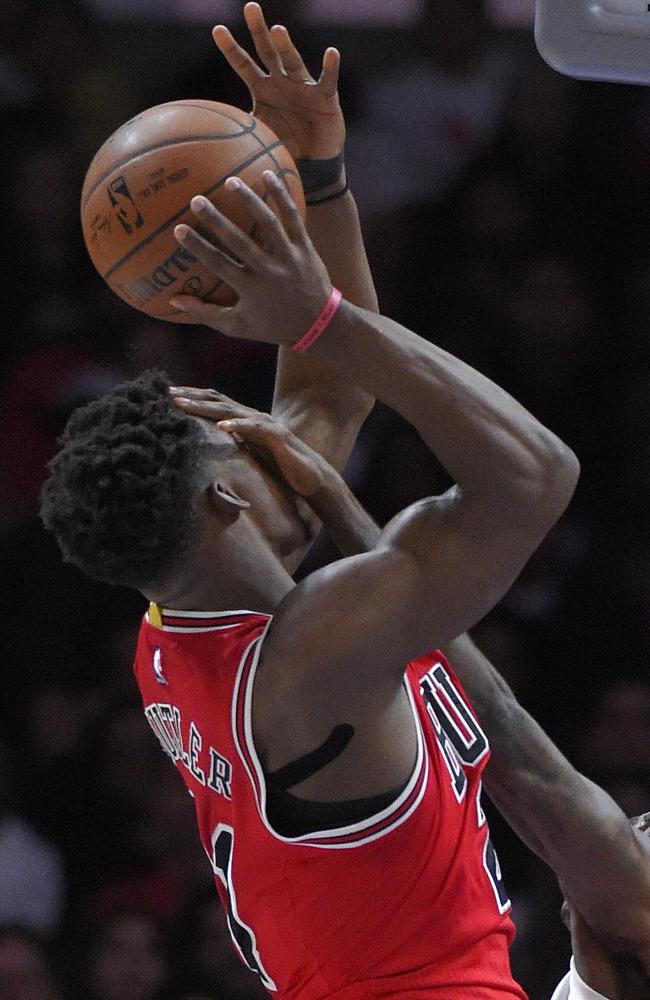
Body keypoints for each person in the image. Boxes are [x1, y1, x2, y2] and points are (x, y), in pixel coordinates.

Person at [40, 6, 580, 997]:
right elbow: (534, 473)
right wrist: (320, 317)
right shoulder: (316, 651)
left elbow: (328, 390)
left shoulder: (182, 613)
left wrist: (316, 175)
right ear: (223, 501)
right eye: (241, 442)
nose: (267, 435)